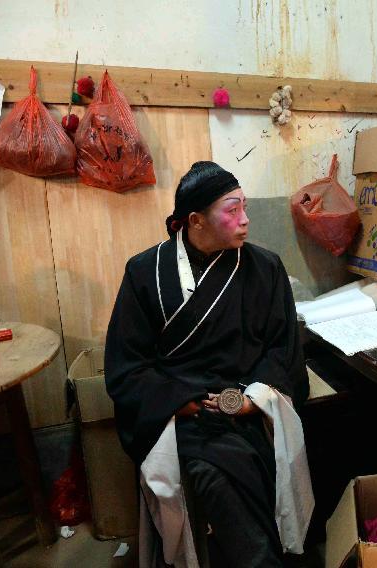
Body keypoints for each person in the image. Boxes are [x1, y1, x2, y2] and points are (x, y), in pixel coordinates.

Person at [105, 161, 311, 567]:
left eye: (245, 207)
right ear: (195, 220)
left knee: (259, 457)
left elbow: (281, 350)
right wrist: (184, 403)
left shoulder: (265, 268)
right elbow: (128, 366)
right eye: (232, 210)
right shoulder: (144, 272)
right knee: (213, 471)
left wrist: (250, 401)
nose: (246, 220)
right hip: (177, 413)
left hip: (248, 405)